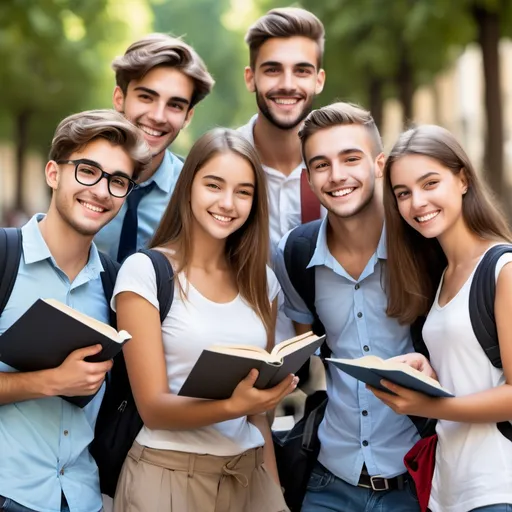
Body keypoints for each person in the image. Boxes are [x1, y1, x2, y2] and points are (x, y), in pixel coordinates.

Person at [111, 128, 298, 512]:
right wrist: (234, 405)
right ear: (189, 186)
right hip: (169, 478)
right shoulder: (145, 272)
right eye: (214, 185)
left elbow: (258, 415)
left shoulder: (263, 281)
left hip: (250, 476)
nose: (228, 203)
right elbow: (154, 409)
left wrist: (275, 496)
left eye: (243, 192)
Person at [274, 102, 423, 511]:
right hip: (328, 481)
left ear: (380, 164)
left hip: (418, 479)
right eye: (321, 165)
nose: (336, 175)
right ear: (308, 179)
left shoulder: (426, 247)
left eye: (350, 158)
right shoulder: (293, 253)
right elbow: (301, 361)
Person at [0, 110, 150, 512]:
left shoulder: (115, 285)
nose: (101, 191)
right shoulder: (3, 257)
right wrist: (51, 381)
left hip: (83, 498)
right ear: (53, 173)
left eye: (118, 181)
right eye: (88, 171)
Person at [369, 124, 512, 512]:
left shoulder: (503, 268)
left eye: (430, 183)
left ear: (462, 179)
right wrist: (426, 369)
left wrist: (426, 406)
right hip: (447, 490)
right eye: (403, 193)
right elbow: (473, 367)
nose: (417, 202)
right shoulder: (443, 273)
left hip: (497, 487)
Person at [240, 7, 326, 342]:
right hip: (242, 360)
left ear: (319, 79)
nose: (287, 84)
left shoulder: (346, 174)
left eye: (301, 71)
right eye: (273, 70)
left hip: (334, 366)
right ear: (251, 78)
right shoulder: (221, 167)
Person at [95, 33, 215, 262]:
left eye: (175, 105)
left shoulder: (194, 195)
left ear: (188, 116)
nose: (158, 117)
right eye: (146, 97)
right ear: (119, 98)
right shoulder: (80, 177)